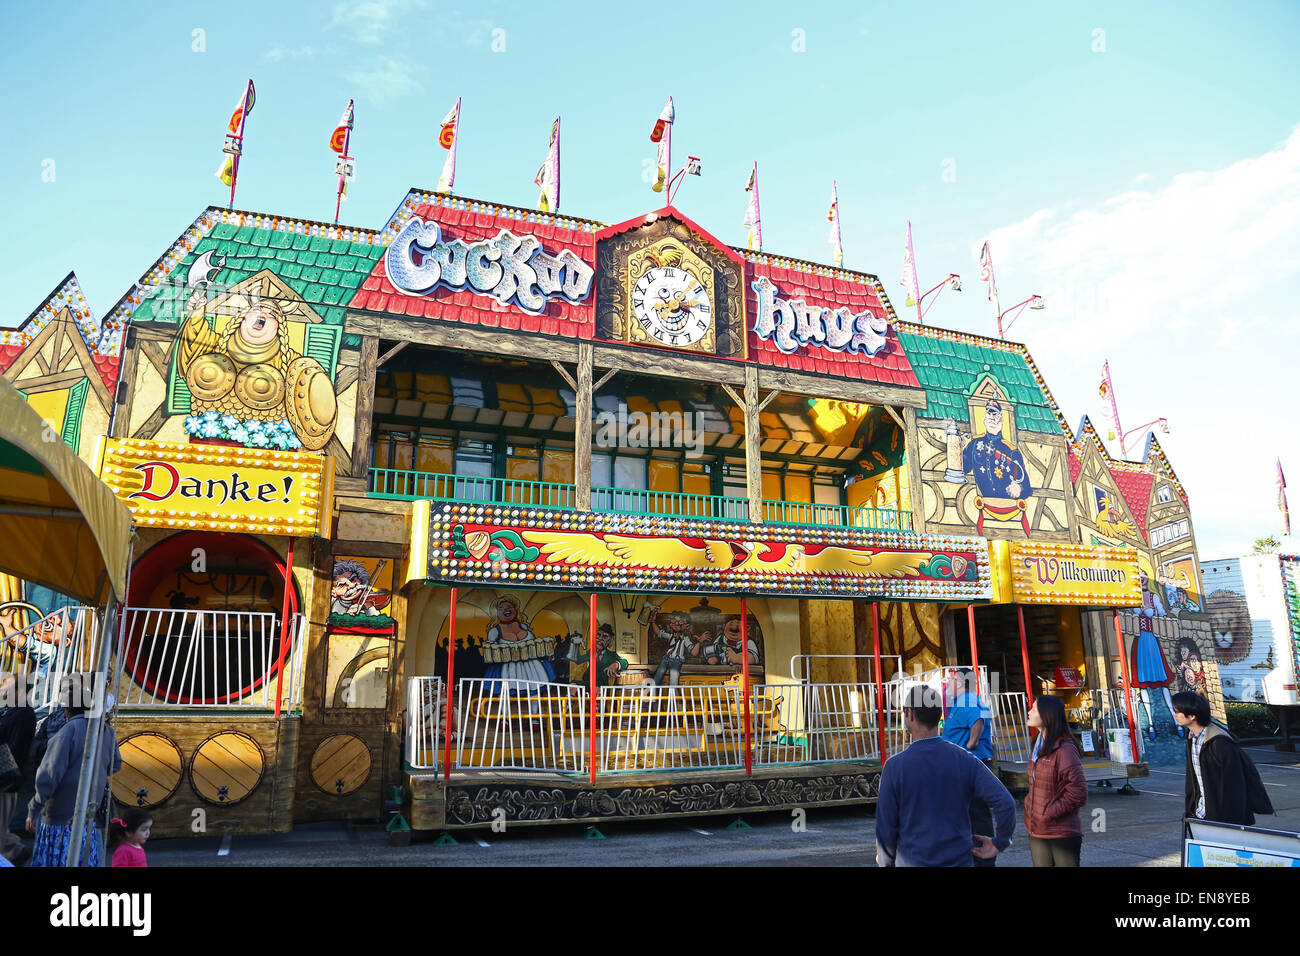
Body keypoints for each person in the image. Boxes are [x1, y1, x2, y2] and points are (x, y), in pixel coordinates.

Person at [876, 683, 1016, 867]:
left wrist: (886, 863)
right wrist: (1001, 841)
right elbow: (1006, 803)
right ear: (939, 715)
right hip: (959, 861)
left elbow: (886, 828)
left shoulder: (894, 767)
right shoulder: (965, 760)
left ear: (910, 714)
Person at [25, 674, 122, 867]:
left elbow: (49, 774)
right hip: (89, 815)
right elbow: (116, 765)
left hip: (60, 816)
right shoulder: (106, 731)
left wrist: (34, 807)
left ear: (68, 709)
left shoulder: (68, 730)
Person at [1172, 691, 1272, 826]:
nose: (1174, 714)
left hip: (1222, 818)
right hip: (1200, 814)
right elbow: (1194, 780)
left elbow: (1236, 786)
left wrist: (1228, 823)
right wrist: (1191, 809)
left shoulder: (1220, 742)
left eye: (1177, 711)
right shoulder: (1192, 738)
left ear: (1192, 716)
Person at [942, 668, 997, 867]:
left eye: (951, 680)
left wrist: (972, 743)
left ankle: (983, 859)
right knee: (968, 815)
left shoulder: (969, 701)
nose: (948, 684)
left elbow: (978, 720)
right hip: (964, 765)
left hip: (971, 764)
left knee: (976, 816)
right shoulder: (962, 702)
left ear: (960, 682)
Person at [1024, 695, 1088, 866]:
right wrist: (1030, 807)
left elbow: (1078, 792)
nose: (1029, 712)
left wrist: (1048, 813)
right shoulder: (1037, 745)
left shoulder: (1064, 749)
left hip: (1061, 833)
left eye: (1034, 709)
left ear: (1048, 715)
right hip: (1037, 831)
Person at [0, 673, 36, 864]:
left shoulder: (23, 713)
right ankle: (16, 851)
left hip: (7, 778)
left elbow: (17, 748)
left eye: (6, 686)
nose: (2, 689)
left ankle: (17, 851)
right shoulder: (12, 711)